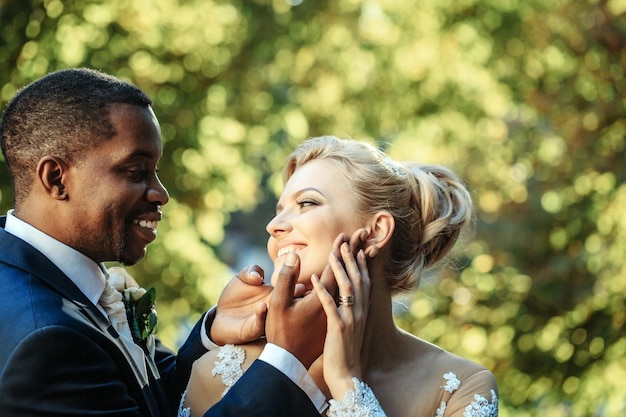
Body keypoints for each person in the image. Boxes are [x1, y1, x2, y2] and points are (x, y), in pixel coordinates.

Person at [0, 68, 335, 417]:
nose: (161, 193)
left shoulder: (62, 280)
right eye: (136, 172)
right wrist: (286, 360)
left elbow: (143, 400)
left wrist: (212, 332)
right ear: (56, 179)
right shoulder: (46, 342)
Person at [181, 135, 499, 416]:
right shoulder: (218, 372)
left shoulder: (462, 387)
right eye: (279, 209)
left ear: (375, 232)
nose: (274, 225)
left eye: (306, 203)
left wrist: (347, 384)